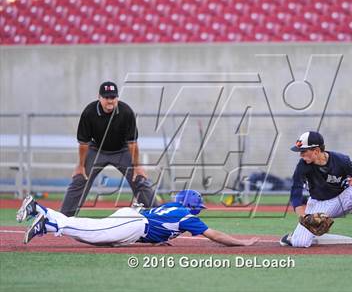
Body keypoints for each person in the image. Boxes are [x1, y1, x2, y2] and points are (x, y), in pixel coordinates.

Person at [16, 190, 259, 247]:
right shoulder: (185, 215)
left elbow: (162, 227)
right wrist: (241, 242)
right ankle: (42, 211)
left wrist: (158, 239)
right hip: (135, 223)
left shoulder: (174, 208)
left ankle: (45, 222)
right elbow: (213, 234)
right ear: (190, 207)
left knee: (91, 237)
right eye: (197, 207)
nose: (198, 211)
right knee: (92, 231)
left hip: (133, 219)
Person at [60, 81, 158, 216]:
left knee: (139, 178)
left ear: (117, 98)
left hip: (122, 150)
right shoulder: (89, 112)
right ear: (99, 97)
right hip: (97, 150)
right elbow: (84, 144)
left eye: (113, 97)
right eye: (106, 97)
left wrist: (137, 166)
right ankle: (63, 217)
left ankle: (158, 215)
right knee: (80, 178)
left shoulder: (126, 112)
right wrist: (81, 165)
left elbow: (132, 143)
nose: (110, 101)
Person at [280, 131, 352, 248]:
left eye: (303, 151)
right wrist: (304, 217)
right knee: (300, 243)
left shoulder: (340, 160)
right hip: (318, 205)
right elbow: (295, 191)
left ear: (316, 151)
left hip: (341, 202)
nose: (300, 155)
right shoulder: (302, 166)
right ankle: (292, 237)